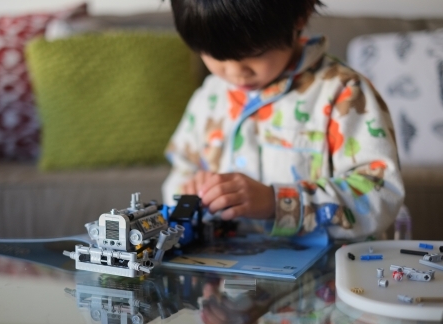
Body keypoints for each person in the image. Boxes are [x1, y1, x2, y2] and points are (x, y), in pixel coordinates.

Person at [162, 0, 405, 239]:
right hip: (230, 269)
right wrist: (192, 189)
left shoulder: (345, 93)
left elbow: (381, 195)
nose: (235, 72)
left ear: (302, 13)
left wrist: (277, 202)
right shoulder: (209, 96)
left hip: (329, 271)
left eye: (253, 53)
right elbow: (181, 172)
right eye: (215, 54)